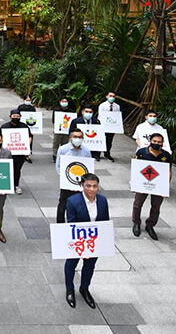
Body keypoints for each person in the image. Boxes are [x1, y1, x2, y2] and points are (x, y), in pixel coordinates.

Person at [64, 173, 109, 309]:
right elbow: (71, 224)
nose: (92, 189)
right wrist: (82, 248)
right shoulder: (72, 201)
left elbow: (104, 222)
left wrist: (103, 242)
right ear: (82, 185)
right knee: (71, 264)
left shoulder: (102, 200)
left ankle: (84, 288)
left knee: (90, 266)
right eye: (88, 186)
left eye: (95, 186)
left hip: (94, 241)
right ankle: (70, 289)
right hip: (78, 240)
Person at [132, 132, 172, 240]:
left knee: (156, 207)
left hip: (158, 185)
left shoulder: (166, 155)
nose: (156, 143)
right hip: (143, 183)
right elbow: (136, 168)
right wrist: (136, 185)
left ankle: (150, 225)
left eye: (159, 142)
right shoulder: (141, 153)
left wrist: (165, 187)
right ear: (150, 141)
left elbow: (169, 171)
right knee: (137, 204)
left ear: (162, 143)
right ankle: (136, 223)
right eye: (154, 141)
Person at [56, 129, 92, 223]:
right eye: (75, 137)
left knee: (79, 205)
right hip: (67, 183)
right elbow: (59, 167)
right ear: (70, 138)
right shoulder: (63, 149)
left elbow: (88, 168)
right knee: (62, 205)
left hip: (81, 184)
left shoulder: (86, 150)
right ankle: (60, 226)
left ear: (83, 138)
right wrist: (68, 181)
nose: (77, 139)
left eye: (80, 137)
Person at [0, 110, 33, 194]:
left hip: (20, 153)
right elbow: (0, 139)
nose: (16, 118)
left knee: (17, 169)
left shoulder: (24, 127)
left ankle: (16, 185)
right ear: (10, 116)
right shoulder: (4, 127)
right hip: (7, 152)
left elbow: (29, 137)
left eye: (18, 116)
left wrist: (27, 149)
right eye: (14, 116)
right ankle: (6, 185)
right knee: (7, 169)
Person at [97, 91, 118, 162]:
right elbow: (100, 115)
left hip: (112, 126)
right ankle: (97, 154)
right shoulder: (102, 105)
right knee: (101, 139)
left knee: (109, 141)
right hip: (103, 125)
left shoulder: (117, 106)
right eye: (110, 96)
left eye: (113, 96)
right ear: (107, 96)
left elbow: (117, 117)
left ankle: (107, 153)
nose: (112, 97)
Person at [52, 97, 74, 163]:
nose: (64, 103)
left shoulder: (70, 111)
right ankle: (55, 155)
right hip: (58, 129)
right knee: (56, 143)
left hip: (66, 130)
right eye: (63, 101)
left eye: (65, 101)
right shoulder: (56, 110)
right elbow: (54, 120)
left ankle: (63, 156)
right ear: (60, 102)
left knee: (64, 143)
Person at [16, 96, 36, 163]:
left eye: (29, 100)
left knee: (30, 140)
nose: (28, 101)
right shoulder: (20, 107)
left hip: (30, 126)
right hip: (21, 126)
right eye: (27, 100)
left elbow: (35, 118)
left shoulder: (32, 108)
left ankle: (27, 154)